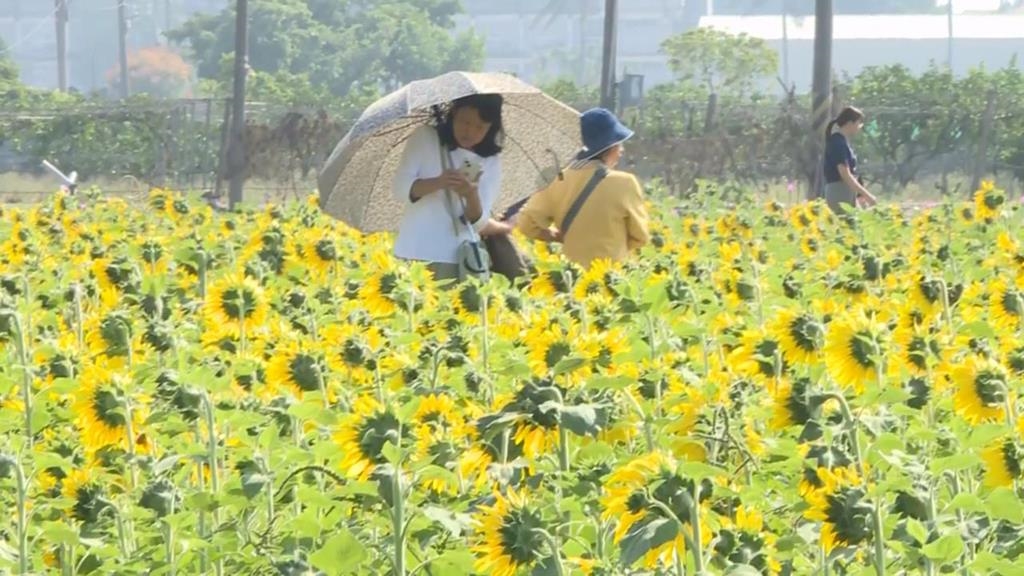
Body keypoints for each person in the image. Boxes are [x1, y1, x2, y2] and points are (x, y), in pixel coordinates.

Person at [391, 94, 514, 281]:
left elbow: (479, 222)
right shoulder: (425, 137)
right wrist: (439, 182)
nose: (470, 132)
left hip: (457, 258)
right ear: (454, 112)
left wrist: (471, 194)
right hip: (414, 249)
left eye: (480, 127)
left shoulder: (490, 160)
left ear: (491, 128)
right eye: (465, 122)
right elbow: (400, 189)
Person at [516, 108, 650, 269]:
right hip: (613, 278)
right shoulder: (625, 183)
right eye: (619, 144)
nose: (621, 150)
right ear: (610, 147)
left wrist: (556, 236)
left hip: (574, 277)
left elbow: (526, 224)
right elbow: (641, 236)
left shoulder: (556, 179)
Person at [823, 106, 878, 216]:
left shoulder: (842, 142)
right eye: (858, 123)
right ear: (849, 123)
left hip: (846, 193)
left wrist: (859, 196)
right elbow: (845, 175)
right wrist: (868, 196)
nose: (859, 127)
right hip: (839, 193)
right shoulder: (837, 143)